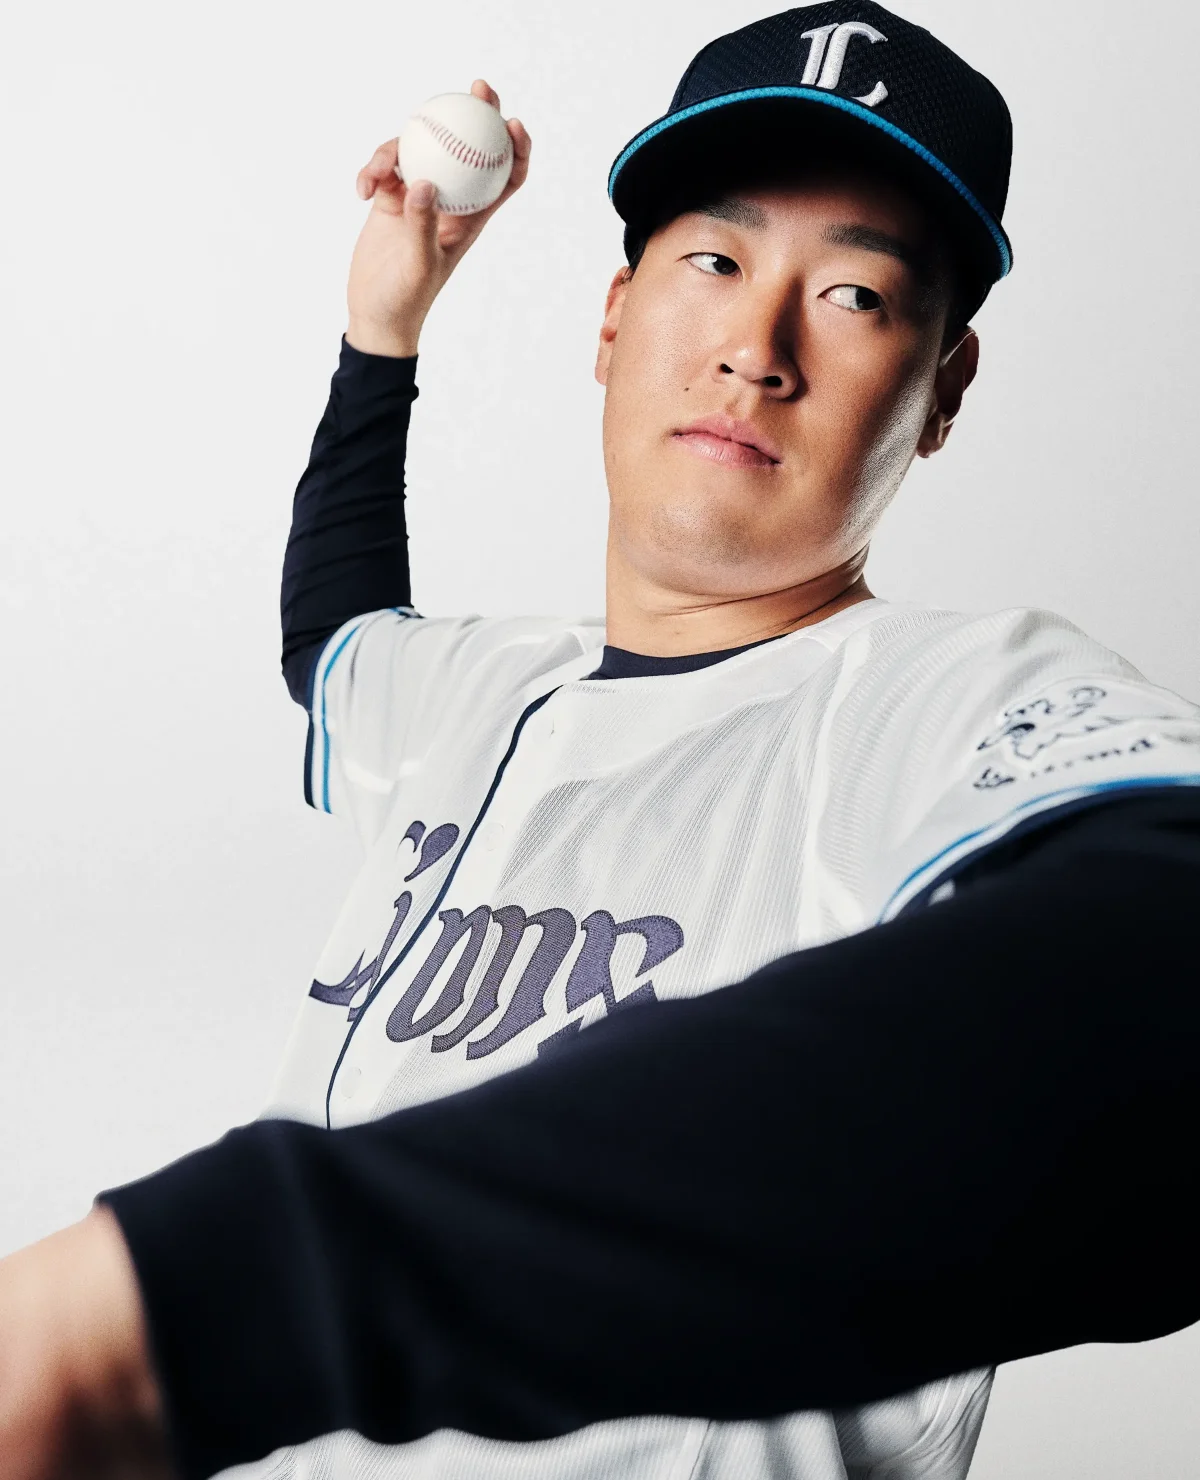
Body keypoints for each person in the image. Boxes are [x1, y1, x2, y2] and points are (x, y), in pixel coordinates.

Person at [2, 5, 1200, 1479]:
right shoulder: (481, 691)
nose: (756, 349)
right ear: (614, 320)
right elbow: (333, 637)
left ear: (941, 393)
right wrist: (385, 328)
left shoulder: (933, 700)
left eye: (855, 295)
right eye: (716, 262)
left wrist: (203, 1297)